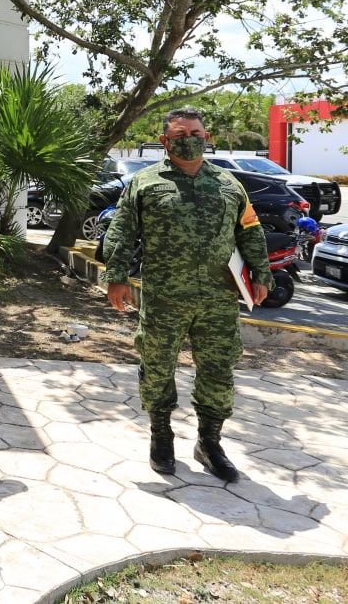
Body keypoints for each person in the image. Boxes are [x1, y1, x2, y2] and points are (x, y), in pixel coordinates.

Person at [101, 107, 272, 482]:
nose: (189, 140)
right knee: (157, 367)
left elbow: (250, 231)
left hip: (218, 299)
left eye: (196, 133)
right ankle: (161, 436)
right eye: (180, 135)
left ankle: (210, 443)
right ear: (164, 141)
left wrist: (262, 274)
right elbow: (121, 231)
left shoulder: (229, 184)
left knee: (218, 370)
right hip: (165, 298)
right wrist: (116, 276)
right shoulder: (144, 182)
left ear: (206, 137)